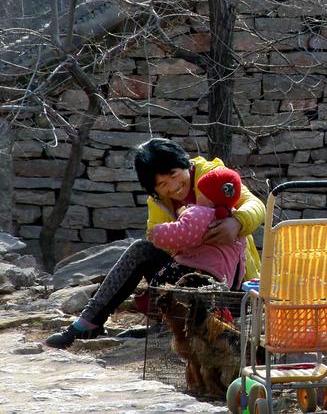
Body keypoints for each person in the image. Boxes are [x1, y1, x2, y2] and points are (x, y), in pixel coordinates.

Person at [45, 138, 265, 349]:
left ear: (185, 164)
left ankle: (175, 326)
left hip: (231, 285)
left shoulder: (212, 176)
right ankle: (89, 322)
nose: (173, 186)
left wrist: (237, 222)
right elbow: (164, 246)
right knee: (141, 250)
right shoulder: (158, 204)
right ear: (154, 189)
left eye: (173, 175)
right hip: (188, 275)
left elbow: (255, 204)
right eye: (162, 184)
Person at [147, 166, 247, 287]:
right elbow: (240, 259)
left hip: (195, 271)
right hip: (222, 279)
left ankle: (149, 299)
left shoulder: (201, 213)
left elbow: (182, 233)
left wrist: (157, 233)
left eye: (201, 193)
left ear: (209, 200)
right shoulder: (233, 218)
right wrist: (235, 285)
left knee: (159, 280)